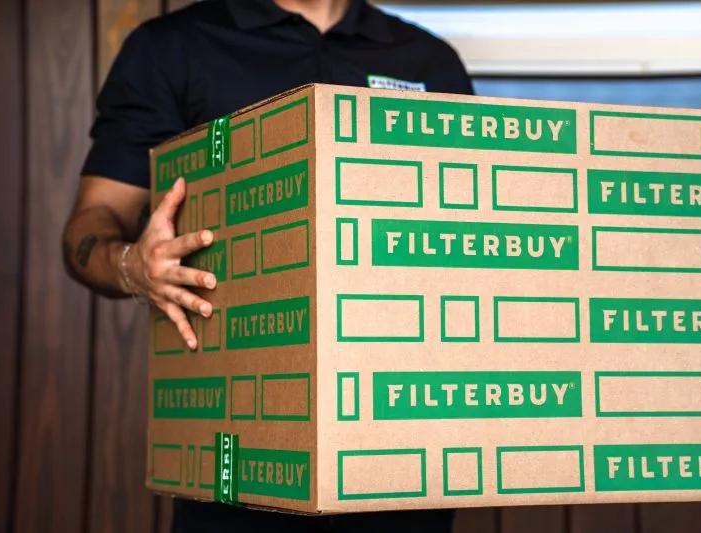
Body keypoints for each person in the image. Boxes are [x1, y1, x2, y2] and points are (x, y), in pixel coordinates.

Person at [62, 0, 473, 531]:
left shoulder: (429, 61)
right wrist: (130, 267)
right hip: (235, 458)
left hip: (403, 453)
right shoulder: (173, 46)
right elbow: (91, 221)